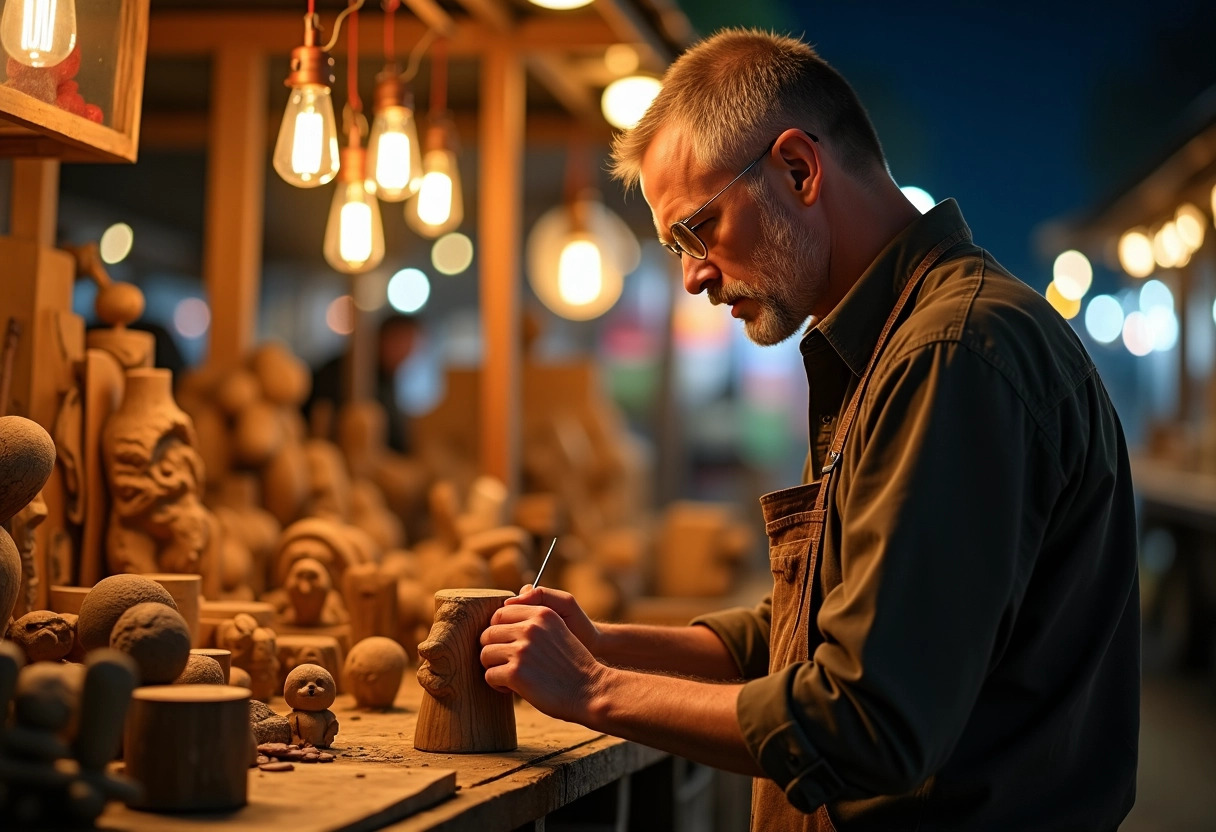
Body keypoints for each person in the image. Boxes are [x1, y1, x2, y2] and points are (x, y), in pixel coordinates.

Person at [479, 28, 1139, 832]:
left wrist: (590, 688)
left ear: (798, 169)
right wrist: (606, 644)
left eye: (696, 230)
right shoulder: (888, 343)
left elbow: (869, 720)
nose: (691, 274)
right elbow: (808, 634)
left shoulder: (952, 355)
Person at [308, 313, 421, 453]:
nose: (407, 351)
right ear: (382, 338)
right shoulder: (346, 372)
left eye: (412, 345)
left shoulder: (389, 377)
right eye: (403, 342)